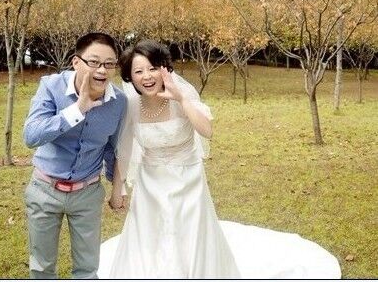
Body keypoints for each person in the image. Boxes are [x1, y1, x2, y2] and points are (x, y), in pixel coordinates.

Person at [98, 39, 342, 279]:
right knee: (150, 237)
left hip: (187, 180)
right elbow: (125, 149)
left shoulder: (182, 95)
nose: (147, 76)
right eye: (138, 71)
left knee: (190, 236)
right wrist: (117, 190)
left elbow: (207, 131)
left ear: (164, 69)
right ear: (130, 77)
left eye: (152, 68)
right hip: (150, 183)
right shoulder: (131, 105)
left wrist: (180, 99)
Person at [23, 32, 127, 279]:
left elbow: (113, 148)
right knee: (42, 267)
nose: (101, 70)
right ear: (76, 62)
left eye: (109, 64)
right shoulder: (51, 86)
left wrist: (117, 188)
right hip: (45, 189)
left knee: (87, 269)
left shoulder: (119, 102)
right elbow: (31, 135)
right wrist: (78, 109)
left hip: (87, 193)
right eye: (94, 62)